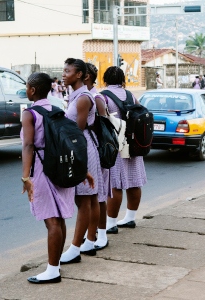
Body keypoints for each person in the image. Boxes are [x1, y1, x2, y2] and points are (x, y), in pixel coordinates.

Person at [21, 72, 87, 284]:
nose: (26, 90)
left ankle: (52, 271)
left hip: (42, 167)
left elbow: (28, 145)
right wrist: (82, 169)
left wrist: (25, 176)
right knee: (59, 219)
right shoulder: (57, 110)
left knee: (51, 221)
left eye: (27, 87)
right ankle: (55, 265)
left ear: (32, 89)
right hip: (61, 165)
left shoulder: (29, 114)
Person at [60, 58, 104, 264]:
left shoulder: (83, 98)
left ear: (79, 75)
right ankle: (90, 240)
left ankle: (76, 247)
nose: (63, 74)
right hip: (83, 147)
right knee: (91, 198)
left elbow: (77, 129)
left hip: (83, 149)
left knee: (84, 200)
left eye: (68, 71)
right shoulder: (76, 95)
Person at [101, 66, 147, 234]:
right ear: (122, 80)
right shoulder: (130, 95)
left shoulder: (103, 96)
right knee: (134, 181)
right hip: (134, 144)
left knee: (115, 185)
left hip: (116, 146)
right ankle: (130, 218)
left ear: (105, 79)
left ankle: (111, 223)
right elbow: (141, 112)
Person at [84, 62, 109, 250]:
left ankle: (102, 234)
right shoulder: (81, 95)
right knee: (91, 195)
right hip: (89, 147)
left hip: (98, 149)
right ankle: (90, 233)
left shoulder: (96, 97)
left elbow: (105, 125)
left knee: (99, 195)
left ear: (85, 76)